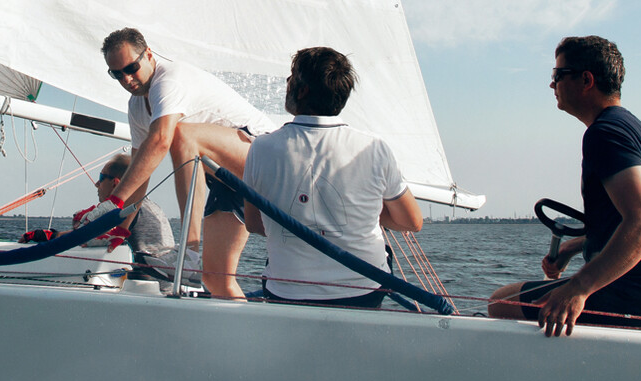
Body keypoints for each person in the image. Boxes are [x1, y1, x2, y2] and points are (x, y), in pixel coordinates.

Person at [488, 36, 641, 335]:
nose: (552, 84)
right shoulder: (626, 126)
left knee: (499, 304)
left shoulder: (604, 134)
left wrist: (578, 289)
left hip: (635, 299)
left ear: (586, 80)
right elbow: (627, 222)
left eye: (558, 75)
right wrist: (573, 247)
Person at [240, 47, 424, 309]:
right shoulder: (374, 148)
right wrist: (364, 213)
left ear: (302, 91)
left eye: (291, 76)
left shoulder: (261, 148)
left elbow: (253, 223)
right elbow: (412, 222)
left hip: (287, 291)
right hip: (364, 291)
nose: (287, 82)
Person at [100, 27, 278, 299]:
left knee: (181, 134)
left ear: (149, 55)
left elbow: (161, 140)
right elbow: (139, 172)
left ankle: (189, 253)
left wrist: (112, 203)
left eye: (131, 68)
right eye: (117, 74)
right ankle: (234, 322)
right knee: (216, 279)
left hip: (263, 156)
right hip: (226, 182)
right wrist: (120, 228)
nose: (127, 79)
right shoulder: (136, 106)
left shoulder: (169, 81)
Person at [84, 153, 176, 281]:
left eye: (102, 178)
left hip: (148, 286)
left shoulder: (127, 209)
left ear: (115, 183)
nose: (96, 183)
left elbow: (90, 237)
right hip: (168, 283)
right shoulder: (152, 207)